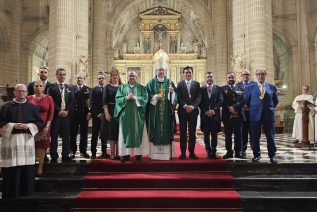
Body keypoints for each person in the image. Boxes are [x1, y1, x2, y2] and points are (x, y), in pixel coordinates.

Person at [0, 84, 42, 198]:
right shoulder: (6, 106)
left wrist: (28, 126)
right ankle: (10, 192)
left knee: (26, 168)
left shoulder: (32, 107)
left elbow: (39, 123)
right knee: (11, 167)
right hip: (11, 141)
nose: (21, 93)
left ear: (27, 93)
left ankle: (26, 192)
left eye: (23, 91)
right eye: (19, 91)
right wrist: (13, 126)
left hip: (26, 141)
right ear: (14, 92)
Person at [114, 70, 149, 162]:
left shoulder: (141, 88)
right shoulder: (122, 87)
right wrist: (126, 98)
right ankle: (125, 154)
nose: (132, 77)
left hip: (137, 115)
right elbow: (118, 98)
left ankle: (138, 154)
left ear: (136, 77)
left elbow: (145, 98)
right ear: (127, 77)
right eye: (130, 76)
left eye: (133, 76)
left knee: (138, 133)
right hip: (126, 115)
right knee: (125, 133)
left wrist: (135, 98)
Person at [245, 68, 279, 164]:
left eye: (262, 74)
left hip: (268, 115)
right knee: (255, 136)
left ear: (266, 74)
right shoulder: (250, 87)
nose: (260, 75)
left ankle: (272, 156)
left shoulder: (272, 87)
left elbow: (275, 101)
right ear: (256, 75)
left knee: (270, 136)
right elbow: (247, 101)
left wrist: (269, 108)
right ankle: (256, 155)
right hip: (255, 114)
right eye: (258, 74)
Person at [145, 60, 177, 160]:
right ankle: (154, 154)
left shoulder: (170, 82)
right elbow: (146, 95)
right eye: (159, 70)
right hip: (155, 112)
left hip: (167, 112)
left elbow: (175, 97)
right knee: (155, 129)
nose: (161, 72)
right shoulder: (151, 83)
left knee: (166, 129)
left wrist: (171, 93)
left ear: (165, 72)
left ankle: (167, 154)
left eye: (163, 70)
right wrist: (154, 97)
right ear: (156, 71)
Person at [27, 80, 54, 176]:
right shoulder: (28, 98)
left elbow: (51, 114)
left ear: (44, 87)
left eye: (40, 86)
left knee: (42, 146)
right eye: (36, 86)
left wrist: (47, 126)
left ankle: (40, 166)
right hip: (31, 126)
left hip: (44, 126)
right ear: (33, 87)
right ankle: (32, 165)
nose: (38, 88)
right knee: (31, 145)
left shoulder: (49, 98)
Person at [47, 68, 74, 161]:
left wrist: (67, 111)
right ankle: (53, 154)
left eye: (64, 74)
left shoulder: (70, 87)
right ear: (56, 75)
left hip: (66, 115)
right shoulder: (51, 87)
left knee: (66, 136)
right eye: (60, 74)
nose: (62, 76)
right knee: (54, 136)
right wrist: (59, 111)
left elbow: (72, 101)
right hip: (56, 115)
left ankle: (65, 154)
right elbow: (50, 101)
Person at [177, 66, 201, 160]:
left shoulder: (196, 84)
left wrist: (192, 106)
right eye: (186, 72)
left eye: (189, 72)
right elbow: (178, 97)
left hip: (193, 111)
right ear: (183, 74)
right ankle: (183, 153)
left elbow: (199, 97)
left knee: (192, 132)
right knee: (182, 132)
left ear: (192, 73)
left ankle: (192, 152)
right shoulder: (180, 84)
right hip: (183, 111)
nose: (188, 74)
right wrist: (185, 106)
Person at [199, 72, 223, 159]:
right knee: (206, 134)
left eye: (211, 77)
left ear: (213, 78)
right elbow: (199, 102)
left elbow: (220, 101)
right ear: (206, 78)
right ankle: (208, 150)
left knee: (214, 134)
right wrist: (205, 111)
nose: (209, 78)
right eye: (208, 77)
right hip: (205, 115)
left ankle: (214, 150)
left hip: (215, 115)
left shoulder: (218, 89)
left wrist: (213, 111)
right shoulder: (201, 89)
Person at [100, 68, 122, 160]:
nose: (114, 77)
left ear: (118, 76)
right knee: (112, 133)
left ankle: (119, 153)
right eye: (113, 75)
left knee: (119, 133)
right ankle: (112, 153)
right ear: (111, 77)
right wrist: (107, 113)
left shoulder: (122, 86)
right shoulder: (107, 87)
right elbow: (104, 101)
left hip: (120, 111)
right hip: (110, 111)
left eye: (116, 75)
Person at [221, 72, 244, 159]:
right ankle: (229, 152)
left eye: (232, 77)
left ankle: (238, 152)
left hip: (238, 114)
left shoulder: (241, 88)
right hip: (227, 115)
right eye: (229, 77)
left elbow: (243, 99)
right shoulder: (223, 89)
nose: (231, 79)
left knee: (238, 134)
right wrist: (229, 108)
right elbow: (221, 100)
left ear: (235, 78)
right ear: (226, 79)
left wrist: (235, 108)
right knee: (228, 134)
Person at [70, 74, 90, 158]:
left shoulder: (88, 89)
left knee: (84, 134)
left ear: (84, 79)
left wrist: (89, 113)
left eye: (81, 78)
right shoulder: (71, 88)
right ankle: (72, 151)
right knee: (73, 134)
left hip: (84, 115)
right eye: (78, 78)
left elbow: (90, 103)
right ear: (75, 79)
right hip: (74, 115)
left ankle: (83, 151)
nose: (79, 79)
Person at [236, 69, 255, 158]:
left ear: (249, 75)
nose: (245, 76)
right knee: (243, 132)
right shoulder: (238, 85)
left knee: (253, 131)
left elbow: (256, 97)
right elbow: (236, 98)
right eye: (243, 74)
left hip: (252, 112)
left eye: (247, 74)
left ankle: (255, 149)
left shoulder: (254, 84)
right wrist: (241, 106)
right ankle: (242, 150)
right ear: (241, 76)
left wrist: (250, 106)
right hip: (241, 112)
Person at [89, 73, 107, 159]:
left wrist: (104, 113)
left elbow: (108, 102)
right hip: (96, 116)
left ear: (105, 80)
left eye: (103, 78)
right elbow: (92, 103)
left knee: (104, 134)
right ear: (97, 80)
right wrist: (98, 114)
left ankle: (104, 152)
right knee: (95, 135)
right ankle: (93, 153)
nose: (101, 80)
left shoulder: (107, 89)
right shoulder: (93, 90)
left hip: (106, 115)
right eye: (99, 78)